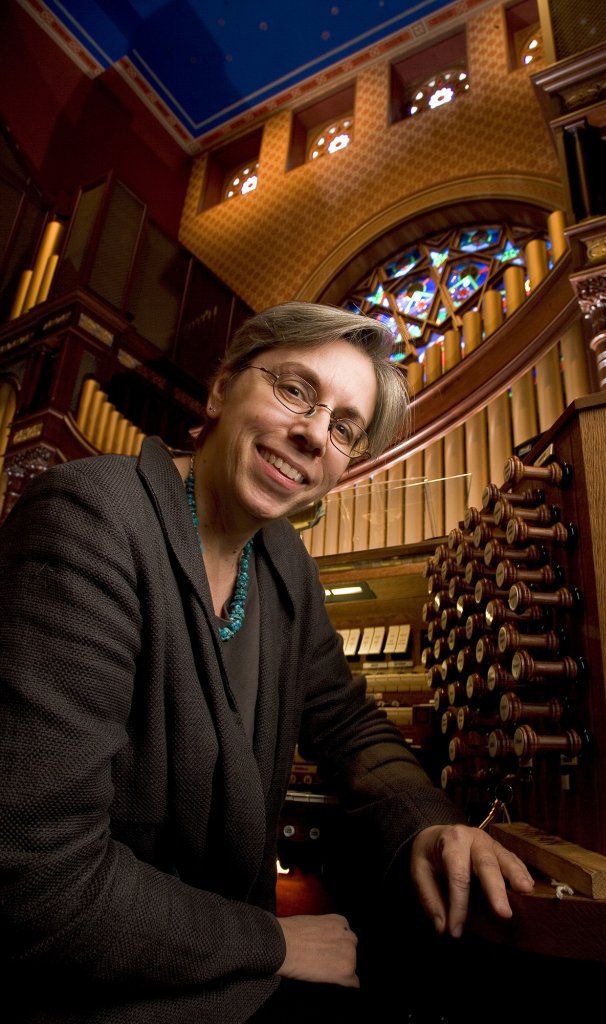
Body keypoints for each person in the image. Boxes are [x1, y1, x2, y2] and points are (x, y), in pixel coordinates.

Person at [0, 301, 534, 1023]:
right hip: (95, 991)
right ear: (221, 390)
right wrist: (271, 943)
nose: (315, 433)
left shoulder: (283, 563)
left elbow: (350, 727)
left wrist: (428, 826)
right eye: (295, 390)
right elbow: (36, 879)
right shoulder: (91, 516)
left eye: (345, 427)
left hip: (222, 977)